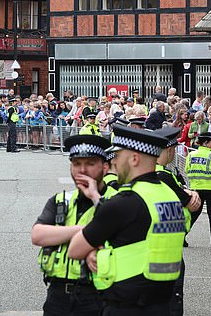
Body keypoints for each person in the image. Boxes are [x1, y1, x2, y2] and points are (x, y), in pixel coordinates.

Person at [68, 124, 187, 315]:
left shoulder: (126, 202)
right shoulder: (168, 195)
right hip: (163, 303)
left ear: (134, 158)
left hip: (126, 306)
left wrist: (96, 248)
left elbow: (75, 249)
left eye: (117, 156)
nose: (114, 163)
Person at [32, 135, 116, 316]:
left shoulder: (118, 200)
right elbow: (38, 235)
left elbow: (120, 237)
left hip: (98, 296)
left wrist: (95, 197)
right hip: (58, 294)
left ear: (105, 167)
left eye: (90, 163)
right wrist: (83, 232)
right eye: (76, 163)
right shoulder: (61, 200)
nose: (82, 170)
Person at [154, 127, 202, 316]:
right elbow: (191, 203)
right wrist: (191, 194)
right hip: (166, 246)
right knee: (171, 294)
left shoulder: (162, 173)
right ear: (169, 149)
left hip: (163, 242)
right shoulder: (163, 176)